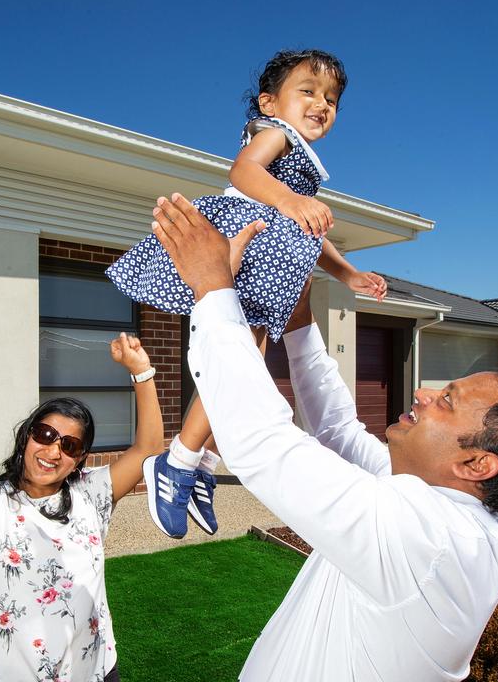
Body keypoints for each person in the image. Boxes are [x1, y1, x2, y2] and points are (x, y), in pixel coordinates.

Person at [147, 193, 498, 681]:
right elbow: (336, 430)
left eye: (448, 402)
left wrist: (211, 286)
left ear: (477, 464)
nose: (424, 394)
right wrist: (300, 314)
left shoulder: (430, 540)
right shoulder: (441, 506)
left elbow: (262, 441)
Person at [105, 49, 387, 539]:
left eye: (332, 98)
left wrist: (347, 274)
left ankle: (198, 463)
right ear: (269, 102)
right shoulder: (274, 133)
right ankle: (178, 461)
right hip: (249, 243)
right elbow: (243, 172)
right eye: (308, 90)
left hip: (273, 259)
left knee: (243, 371)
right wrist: (290, 199)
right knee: (240, 363)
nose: (322, 103)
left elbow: (309, 236)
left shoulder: (302, 166)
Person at [0, 325, 164, 682]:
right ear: (27, 436)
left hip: (92, 669)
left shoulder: (91, 494)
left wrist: (141, 371)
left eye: (69, 446)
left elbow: (148, 450)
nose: (53, 451)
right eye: (46, 435)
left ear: (80, 459)